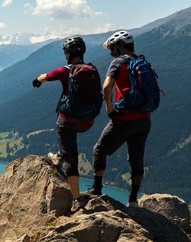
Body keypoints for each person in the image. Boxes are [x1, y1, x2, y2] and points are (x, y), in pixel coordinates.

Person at [32, 36, 101, 213]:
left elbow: (45, 77)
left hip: (69, 122)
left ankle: (77, 199)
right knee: (68, 141)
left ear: (67, 54)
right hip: (88, 122)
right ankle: (61, 154)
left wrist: (37, 80)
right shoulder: (92, 69)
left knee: (71, 155)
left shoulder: (65, 71)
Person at [83, 30, 151, 207]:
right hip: (144, 120)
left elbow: (106, 87)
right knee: (137, 157)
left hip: (124, 118)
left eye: (112, 48)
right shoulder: (141, 61)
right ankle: (133, 200)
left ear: (120, 46)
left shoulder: (118, 62)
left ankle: (96, 190)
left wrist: (110, 109)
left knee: (99, 149)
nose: (111, 52)